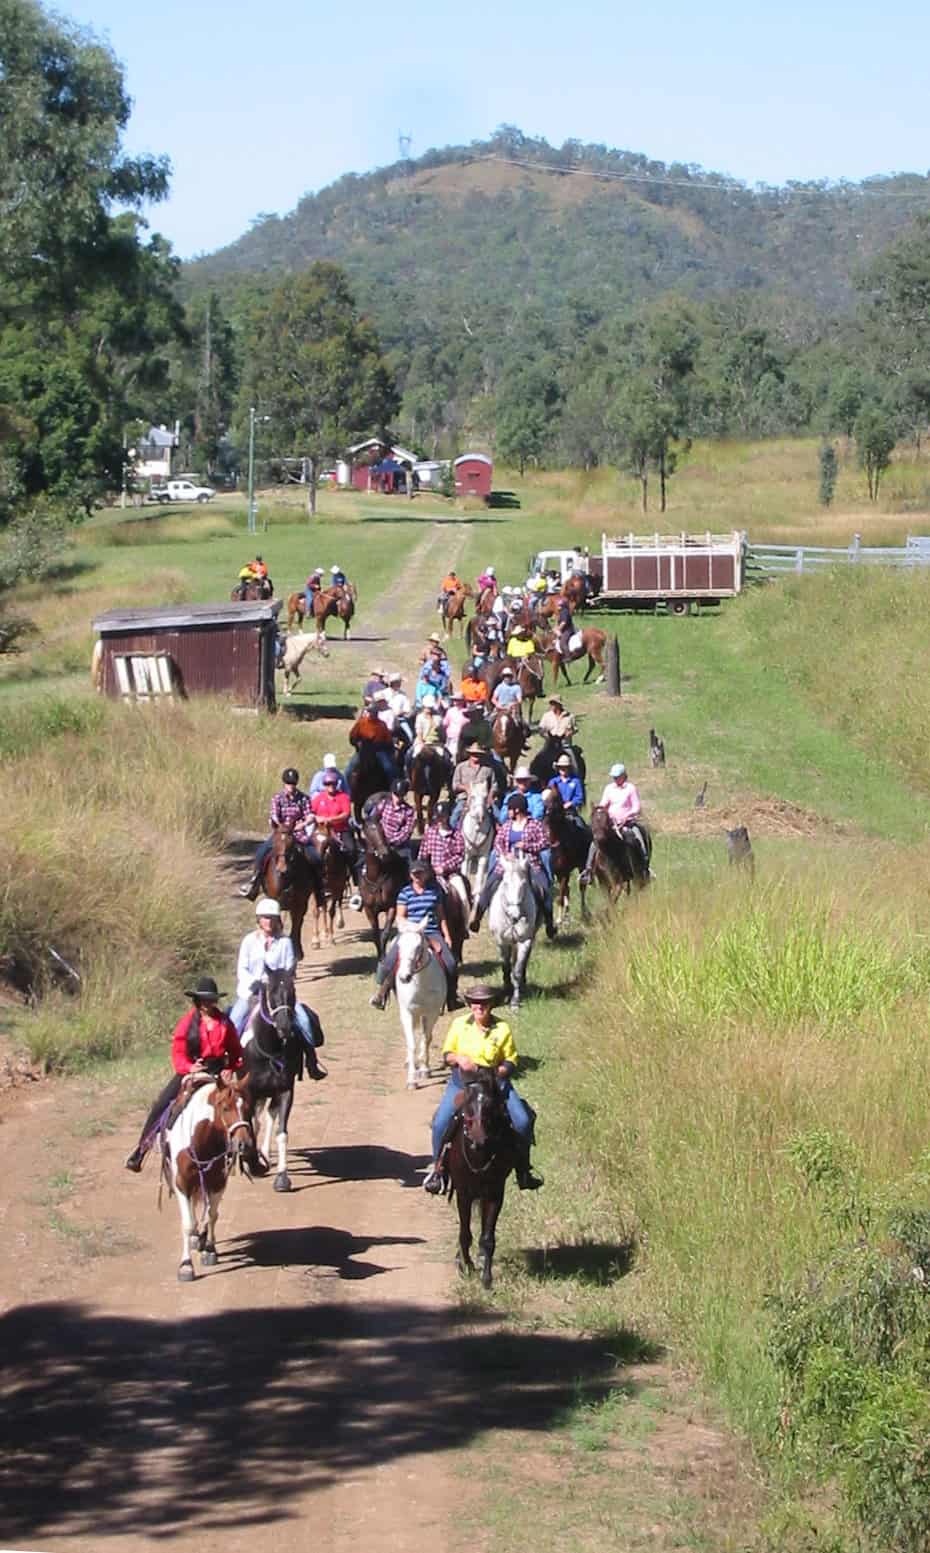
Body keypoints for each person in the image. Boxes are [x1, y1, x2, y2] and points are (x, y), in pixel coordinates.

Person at [422, 985, 542, 1194]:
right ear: (469, 1005)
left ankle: (523, 1170)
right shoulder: (459, 1025)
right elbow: (447, 1054)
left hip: (496, 1084)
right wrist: (459, 1058)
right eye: (475, 1003)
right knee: (441, 1122)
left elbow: (511, 1059)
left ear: (491, 1005)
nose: (479, 1007)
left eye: (484, 1003)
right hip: (464, 1084)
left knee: (522, 1120)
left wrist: (499, 1072)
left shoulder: (502, 1028)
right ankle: (438, 1171)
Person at [124, 975, 244, 1171]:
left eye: (211, 1000)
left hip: (218, 1073)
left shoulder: (225, 1023)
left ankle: (250, 1154)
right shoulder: (187, 1023)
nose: (207, 1004)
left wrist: (230, 1069)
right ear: (197, 1001)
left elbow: (237, 1051)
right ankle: (141, 1151)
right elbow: (178, 1053)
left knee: (238, 1105)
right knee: (161, 1104)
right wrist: (189, 1067)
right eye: (204, 1000)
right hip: (192, 1071)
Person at [229, 900, 326, 1075]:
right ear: (259, 919)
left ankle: (311, 1060)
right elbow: (242, 969)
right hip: (251, 992)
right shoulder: (249, 941)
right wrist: (254, 982)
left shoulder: (285, 942)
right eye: (265, 918)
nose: (269, 922)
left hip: (279, 995)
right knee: (235, 1020)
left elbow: (289, 969)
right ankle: (226, 1064)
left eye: (272, 918)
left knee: (303, 1019)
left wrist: (275, 984)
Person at [370, 859, 459, 1010]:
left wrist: (447, 935)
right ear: (410, 875)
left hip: (430, 931)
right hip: (409, 932)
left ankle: (451, 997)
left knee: (450, 963)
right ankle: (381, 994)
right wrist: (412, 927)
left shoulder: (435, 891)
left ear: (426, 874)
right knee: (388, 963)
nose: (417, 876)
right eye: (414, 873)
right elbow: (400, 916)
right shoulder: (405, 893)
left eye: (420, 873)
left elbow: (441, 915)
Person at [471, 792, 555, 938]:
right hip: (507, 864)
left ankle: (549, 922)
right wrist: (504, 853)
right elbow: (497, 842)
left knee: (544, 889)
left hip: (529, 864)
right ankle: (477, 917)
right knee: (489, 885)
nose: (508, 811)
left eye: (510, 809)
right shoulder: (507, 826)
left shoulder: (534, 825)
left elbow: (544, 842)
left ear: (517, 810)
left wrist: (527, 846)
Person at [239, 768, 315, 899]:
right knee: (261, 852)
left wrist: (302, 824)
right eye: (288, 783)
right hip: (280, 833)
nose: (291, 786)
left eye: (293, 783)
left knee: (315, 856)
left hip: (297, 833)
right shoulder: (277, 798)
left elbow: (309, 816)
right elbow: (274, 815)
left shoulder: (304, 798)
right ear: (284, 783)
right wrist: (280, 825)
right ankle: (254, 882)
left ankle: (319, 887)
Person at [581, 762, 650, 880]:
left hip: (627, 822)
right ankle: (588, 870)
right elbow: (604, 804)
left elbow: (636, 807)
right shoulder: (609, 788)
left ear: (624, 776)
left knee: (637, 838)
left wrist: (626, 817)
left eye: (617, 776)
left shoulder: (630, 788)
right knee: (595, 842)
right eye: (614, 777)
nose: (615, 779)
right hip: (611, 823)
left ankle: (644, 866)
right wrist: (599, 811)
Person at [310, 769, 357, 876]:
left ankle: (354, 875)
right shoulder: (319, 798)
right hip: (321, 830)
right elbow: (310, 812)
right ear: (324, 785)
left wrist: (331, 819)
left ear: (337, 784)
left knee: (351, 849)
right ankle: (311, 874)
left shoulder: (343, 797)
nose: (330, 786)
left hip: (340, 829)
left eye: (333, 784)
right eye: (327, 784)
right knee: (307, 847)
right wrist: (317, 818)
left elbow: (346, 814)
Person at [348, 702, 396, 787]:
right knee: (349, 769)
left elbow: (388, 741)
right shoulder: (361, 723)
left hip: (378, 750)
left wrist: (383, 746)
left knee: (389, 768)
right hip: (364, 750)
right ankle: (346, 789)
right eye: (371, 712)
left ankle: (393, 788)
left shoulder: (382, 725)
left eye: (375, 712)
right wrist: (357, 744)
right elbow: (352, 737)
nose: (373, 714)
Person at [419, 800, 465, 888]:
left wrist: (444, 867)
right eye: (437, 817)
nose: (439, 820)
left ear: (448, 817)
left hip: (450, 873)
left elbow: (459, 856)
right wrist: (424, 868)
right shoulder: (429, 833)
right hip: (430, 872)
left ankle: (466, 901)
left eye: (442, 817)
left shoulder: (457, 835)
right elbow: (422, 854)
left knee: (460, 888)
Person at [451, 741, 491, 826]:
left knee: (498, 815)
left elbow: (494, 785)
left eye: (477, 754)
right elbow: (455, 785)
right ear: (469, 754)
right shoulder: (461, 767)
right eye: (473, 754)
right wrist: (466, 788)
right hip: (465, 798)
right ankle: (452, 835)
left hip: (483, 799)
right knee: (455, 815)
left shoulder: (487, 769)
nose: (475, 756)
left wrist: (490, 796)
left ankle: (500, 834)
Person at [379, 778, 417, 863]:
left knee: (407, 866)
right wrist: (380, 839)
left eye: (401, 795)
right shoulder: (384, 804)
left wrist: (391, 841)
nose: (397, 798)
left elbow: (406, 833)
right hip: (381, 842)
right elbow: (375, 820)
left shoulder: (409, 811)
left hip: (399, 847)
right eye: (395, 794)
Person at [490, 664, 525, 731]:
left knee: (521, 724)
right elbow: (493, 699)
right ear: (503, 677)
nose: (507, 678)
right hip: (500, 708)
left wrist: (513, 704)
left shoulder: (516, 687)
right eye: (505, 676)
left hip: (512, 709)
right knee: (489, 721)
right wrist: (497, 704)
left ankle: (523, 738)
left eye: (508, 676)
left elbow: (520, 700)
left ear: (511, 677)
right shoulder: (499, 687)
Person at [412, 692, 444, 756]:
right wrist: (421, 743)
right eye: (427, 707)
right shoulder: (420, 717)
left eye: (430, 707)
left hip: (435, 742)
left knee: (443, 755)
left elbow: (439, 730)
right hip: (421, 741)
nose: (428, 709)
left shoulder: (438, 717)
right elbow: (419, 731)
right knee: (412, 754)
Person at [443, 689, 470, 760]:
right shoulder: (450, 711)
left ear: (462, 701)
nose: (456, 702)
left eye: (458, 700)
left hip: (463, 739)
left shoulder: (467, 711)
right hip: (452, 738)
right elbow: (445, 724)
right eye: (455, 700)